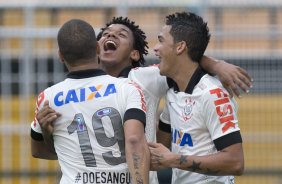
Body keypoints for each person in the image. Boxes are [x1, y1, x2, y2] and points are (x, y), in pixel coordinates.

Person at [32, 17, 252, 184]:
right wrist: (49, 133)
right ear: (96, 48)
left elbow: (184, 61)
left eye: (121, 34)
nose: (111, 36)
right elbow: (53, 151)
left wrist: (216, 65)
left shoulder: (143, 78)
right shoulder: (69, 92)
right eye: (106, 33)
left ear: (135, 54)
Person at [30, 19, 150, 184]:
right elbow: (134, 140)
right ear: (97, 48)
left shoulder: (48, 98)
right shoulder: (128, 88)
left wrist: (47, 134)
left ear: (60, 55)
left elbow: (38, 152)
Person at [149, 12, 244, 184]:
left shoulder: (213, 94)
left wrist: (172, 160)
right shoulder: (173, 91)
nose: (155, 48)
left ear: (180, 47)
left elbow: (235, 162)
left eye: (161, 40)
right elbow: (161, 146)